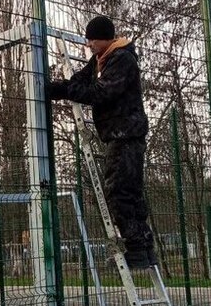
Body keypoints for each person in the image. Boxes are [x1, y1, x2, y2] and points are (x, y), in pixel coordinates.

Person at [48, 14, 156, 269]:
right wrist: (61, 89)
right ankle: (144, 246)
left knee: (119, 191)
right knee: (130, 191)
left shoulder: (122, 59)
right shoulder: (102, 59)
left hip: (125, 134)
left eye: (91, 40)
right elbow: (82, 80)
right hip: (120, 134)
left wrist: (67, 91)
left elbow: (101, 93)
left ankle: (137, 248)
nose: (88, 45)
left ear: (103, 39)